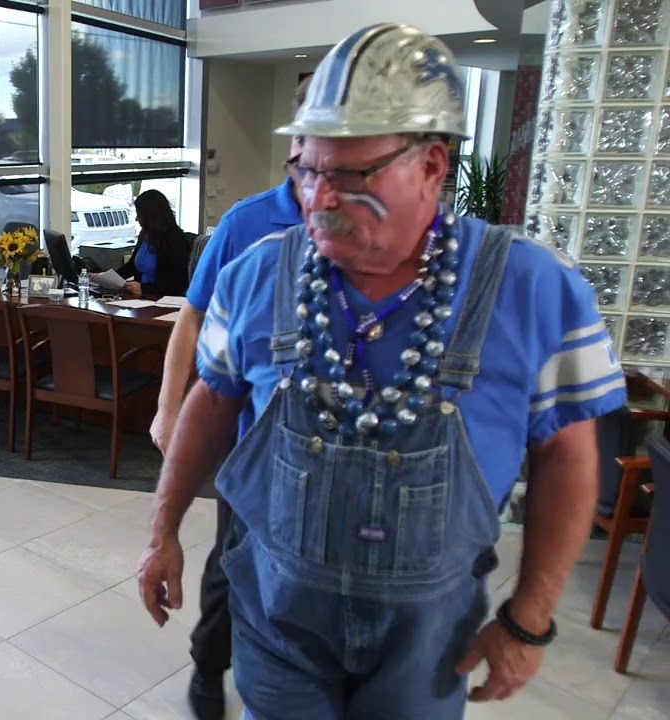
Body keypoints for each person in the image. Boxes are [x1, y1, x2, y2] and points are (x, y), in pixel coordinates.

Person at [138, 22, 626, 719]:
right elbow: (212, 405)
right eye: (307, 169)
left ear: (432, 164)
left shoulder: (537, 290)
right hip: (279, 623)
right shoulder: (256, 274)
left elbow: (570, 459)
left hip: (429, 643)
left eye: (351, 174)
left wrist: (527, 619)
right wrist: (162, 534)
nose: (320, 197)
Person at [146, 77, 309, 720]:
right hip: (255, 450)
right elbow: (191, 318)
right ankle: (210, 666)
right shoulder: (249, 224)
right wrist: (167, 406)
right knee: (232, 565)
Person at [108, 189, 191, 297]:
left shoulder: (174, 239)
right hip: (141, 297)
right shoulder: (145, 235)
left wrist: (144, 288)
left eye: (139, 214)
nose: (137, 219)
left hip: (161, 299)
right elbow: (132, 266)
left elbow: (177, 283)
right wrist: (107, 278)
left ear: (151, 216)